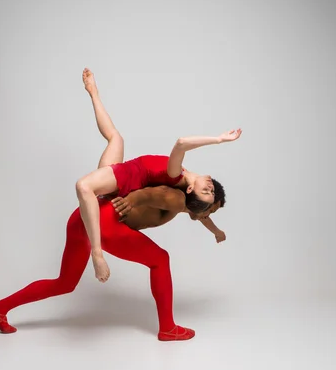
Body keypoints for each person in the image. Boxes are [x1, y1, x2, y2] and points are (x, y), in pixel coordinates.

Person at [0, 72, 229, 341]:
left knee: (65, 282)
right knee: (160, 259)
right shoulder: (180, 194)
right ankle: (167, 327)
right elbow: (167, 196)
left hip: (83, 218)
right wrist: (132, 204)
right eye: (211, 191)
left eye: (209, 195)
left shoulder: (180, 191)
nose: (210, 187)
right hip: (105, 220)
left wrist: (213, 228)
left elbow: (186, 204)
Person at [75, 68, 242, 283]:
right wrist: (216, 231)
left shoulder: (176, 175)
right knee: (116, 138)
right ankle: (93, 92)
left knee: (83, 186)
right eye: (211, 189)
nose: (210, 187)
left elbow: (181, 143)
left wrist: (219, 139)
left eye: (206, 191)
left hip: (124, 177)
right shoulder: (186, 184)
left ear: (191, 190)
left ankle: (96, 254)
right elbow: (202, 213)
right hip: (124, 170)